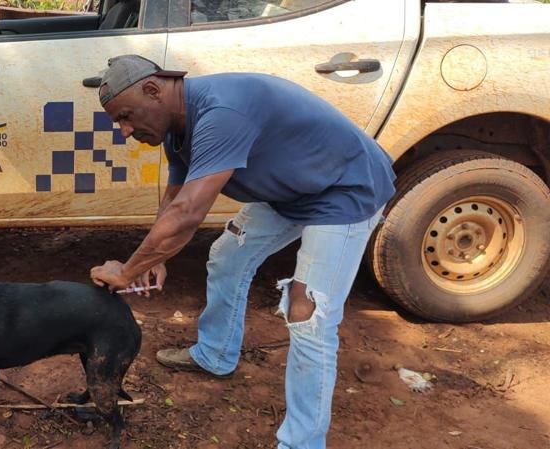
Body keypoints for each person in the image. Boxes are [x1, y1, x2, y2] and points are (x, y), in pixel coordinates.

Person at [88, 55, 395, 449]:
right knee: (227, 256)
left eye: (126, 117)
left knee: (308, 312)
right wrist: (157, 257)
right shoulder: (176, 124)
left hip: (344, 191)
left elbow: (189, 213)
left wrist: (127, 272)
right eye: (119, 123)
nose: (126, 132)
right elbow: (176, 195)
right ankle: (215, 354)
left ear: (153, 90)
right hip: (291, 193)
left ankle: (302, 442)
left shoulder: (222, 112)